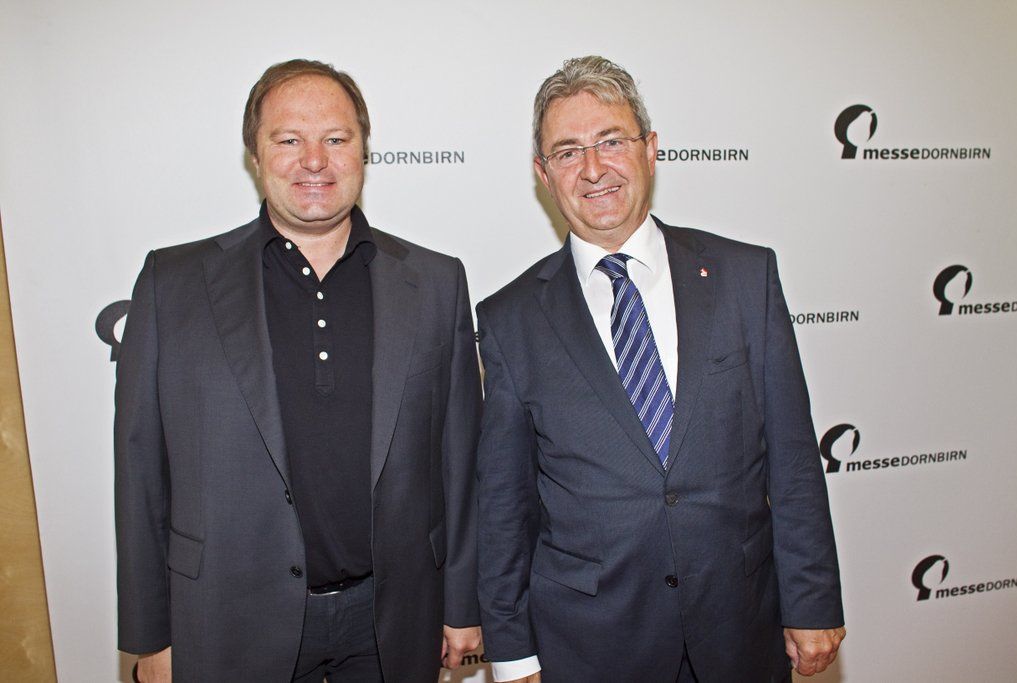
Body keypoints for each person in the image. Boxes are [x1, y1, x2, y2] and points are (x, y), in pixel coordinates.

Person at [476, 56, 845, 682]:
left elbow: (793, 459)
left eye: (611, 141)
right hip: (590, 645)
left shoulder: (744, 278)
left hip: (740, 627)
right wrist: (511, 652)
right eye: (567, 152)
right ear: (543, 174)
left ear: (650, 150)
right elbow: (505, 503)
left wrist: (812, 600)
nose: (593, 169)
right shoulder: (509, 319)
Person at [114, 59, 481, 682]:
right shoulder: (171, 285)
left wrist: (463, 603)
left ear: (363, 150)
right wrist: (150, 636)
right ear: (255, 155)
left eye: (336, 138)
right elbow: (141, 467)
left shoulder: (436, 282)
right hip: (227, 619)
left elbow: (461, 461)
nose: (315, 160)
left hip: (394, 618)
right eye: (288, 140)